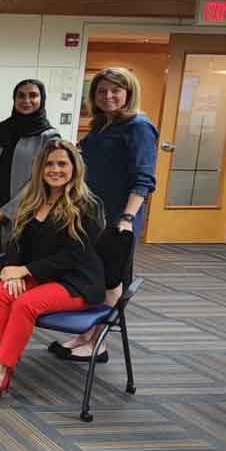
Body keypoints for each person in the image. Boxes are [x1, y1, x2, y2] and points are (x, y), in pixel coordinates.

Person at [0, 140, 106, 408]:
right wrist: (12, 269)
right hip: (43, 275)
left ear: (74, 167)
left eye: (62, 164)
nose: (55, 169)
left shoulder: (88, 205)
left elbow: (73, 256)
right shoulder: (33, 199)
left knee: (25, 304)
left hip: (76, 281)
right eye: (49, 164)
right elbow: (16, 242)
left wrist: (25, 270)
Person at [53, 67, 157, 362]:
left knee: (112, 280)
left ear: (128, 93)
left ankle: (99, 343)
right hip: (91, 215)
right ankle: (85, 335)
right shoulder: (100, 126)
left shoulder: (139, 126)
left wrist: (127, 219)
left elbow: (144, 179)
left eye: (115, 90)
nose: (108, 96)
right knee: (92, 276)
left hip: (118, 218)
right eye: (101, 91)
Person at [0, 79, 61, 252]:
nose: (26, 100)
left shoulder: (48, 137)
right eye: (21, 96)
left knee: (17, 260)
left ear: (42, 99)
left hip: (25, 214)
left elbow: (41, 179)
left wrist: (8, 211)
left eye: (33, 95)